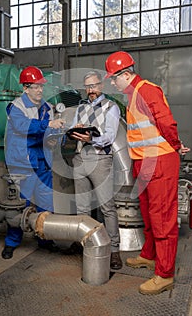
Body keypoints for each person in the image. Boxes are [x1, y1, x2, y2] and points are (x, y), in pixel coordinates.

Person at [105, 51, 190, 294]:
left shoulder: (147, 90)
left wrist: (175, 145)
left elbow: (166, 122)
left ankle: (165, 275)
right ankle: (150, 255)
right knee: (148, 210)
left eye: (114, 78)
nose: (112, 83)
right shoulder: (133, 96)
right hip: (144, 162)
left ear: (127, 74)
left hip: (159, 160)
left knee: (162, 216)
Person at [2, 66, 65, 259]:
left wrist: (57, 138)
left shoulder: (46, 107)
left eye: (41, 87)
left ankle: (45, 239)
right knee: (21, 206)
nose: (40, 90)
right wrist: (48, 125)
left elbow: (53, 132)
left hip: (43, 163)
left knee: (45, 205)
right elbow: (23, 127)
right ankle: (12, 242)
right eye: (36, 87)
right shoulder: (16, 107)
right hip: (23, 164)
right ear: (25, 88)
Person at [69, 70, 122, 270]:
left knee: (107, 207)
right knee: (82, 208)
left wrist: (91, 139)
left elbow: (109, 136)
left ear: (101, 86)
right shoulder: (81, 107)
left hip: (100, 159)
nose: (91, 90)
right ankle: (86, 243)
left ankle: (114, 251)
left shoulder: (111, 107)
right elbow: (74, 128)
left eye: (94, 86)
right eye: (88, 87)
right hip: (80, 158)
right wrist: (75, 131)